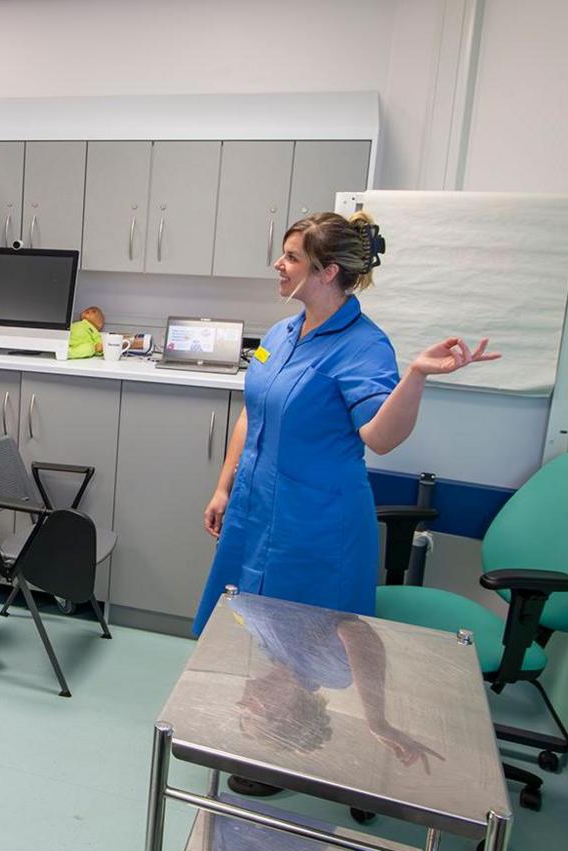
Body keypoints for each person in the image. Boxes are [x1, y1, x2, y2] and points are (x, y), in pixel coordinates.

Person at [197, 211, 494, 795]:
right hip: (257, 510)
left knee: (308, 642)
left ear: (327, 271)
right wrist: (224, 484)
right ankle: (259, 726)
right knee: (250, 626)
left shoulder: (364, 347)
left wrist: (415, 376)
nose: (278, 267)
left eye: (290, 258)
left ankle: (287, 742)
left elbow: (380, 437)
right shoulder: (283, 334)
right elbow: (252, 410)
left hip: (316, 522)